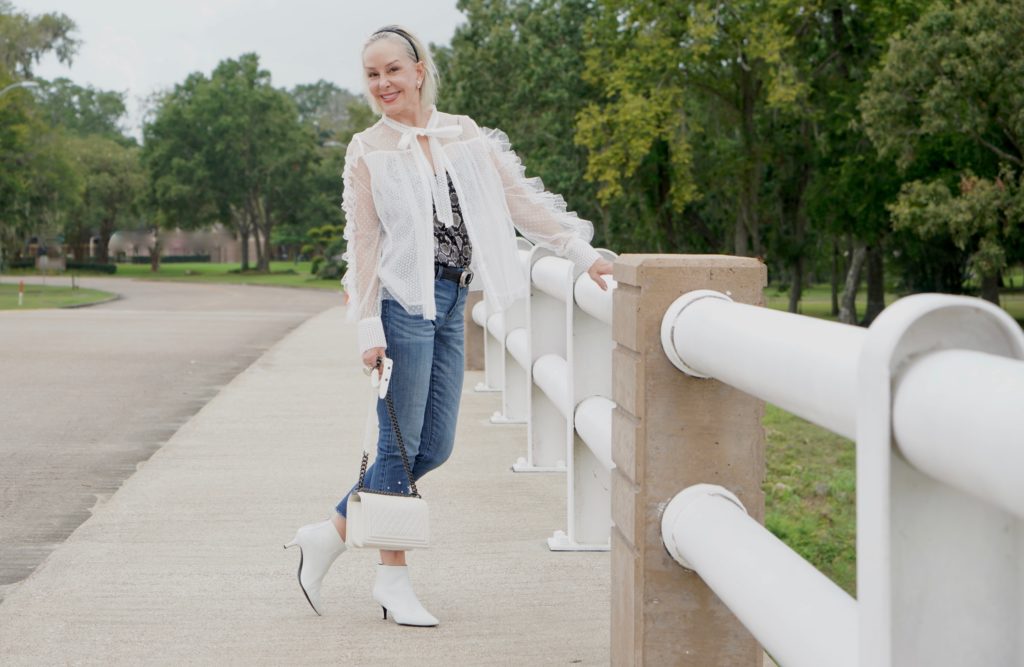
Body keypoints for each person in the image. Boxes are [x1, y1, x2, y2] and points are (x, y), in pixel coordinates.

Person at [285, 24, 614, 627]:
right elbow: (362, 245)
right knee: (400, 445)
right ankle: (392, 577)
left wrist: (580, 252)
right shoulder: (368, 150)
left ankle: (326, 535)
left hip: (453, 300)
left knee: (434, 443)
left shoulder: (462, 134)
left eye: (392, 71)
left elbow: (519, 204)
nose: (382, 83)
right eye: (371, 75)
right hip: (403, 304)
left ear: (418, 70)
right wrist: (367, 328)